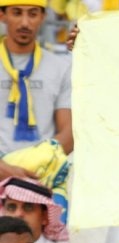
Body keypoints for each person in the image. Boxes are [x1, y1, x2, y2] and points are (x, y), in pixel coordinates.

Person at [0, 0, 73, 180]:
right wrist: (4, 169)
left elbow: (69, 132)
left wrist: (36, 165)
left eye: (33, 14)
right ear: (2, 15)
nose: (25, 23)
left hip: (43, 175)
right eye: (17, 13)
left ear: (43, 17)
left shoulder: (60, 67)